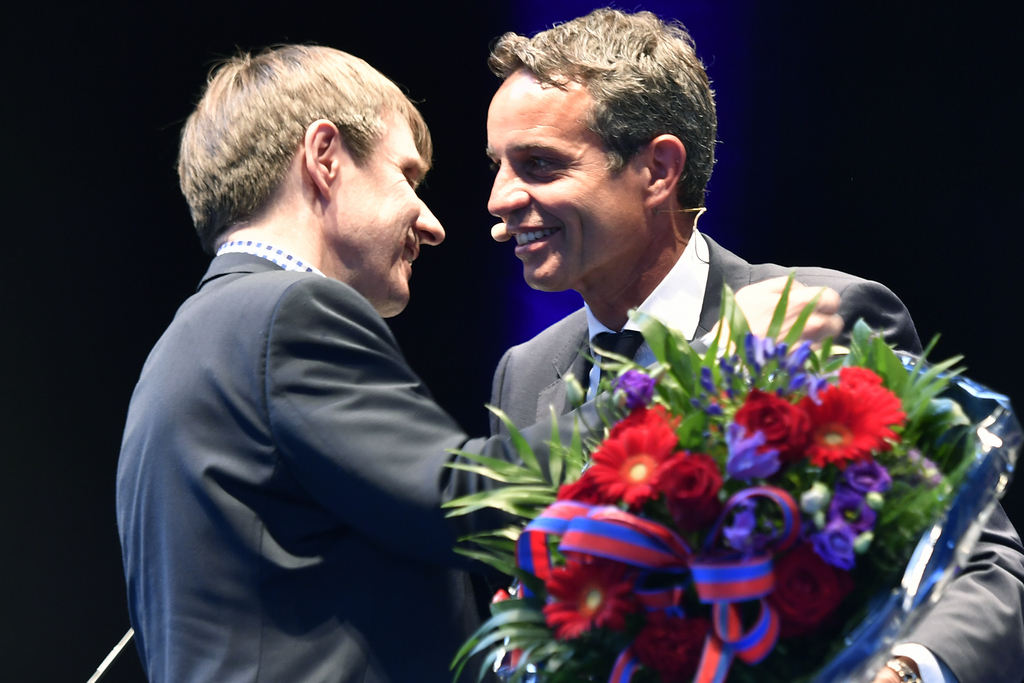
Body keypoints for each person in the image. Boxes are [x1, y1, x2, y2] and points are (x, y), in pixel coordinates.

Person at [483, 9, 1024, 683]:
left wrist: (905, 673)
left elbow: (979, 559)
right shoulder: (525, 372)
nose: (500, 198)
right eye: (498, 166)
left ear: (657, 170)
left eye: (538, 164)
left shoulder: (825, 320)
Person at [115, 45, 601, 683]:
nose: (432, 225)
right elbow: (458, 501)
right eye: (407, 176)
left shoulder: (193, 338)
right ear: (324, 159)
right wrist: (675, 392)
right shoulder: (285, 312)